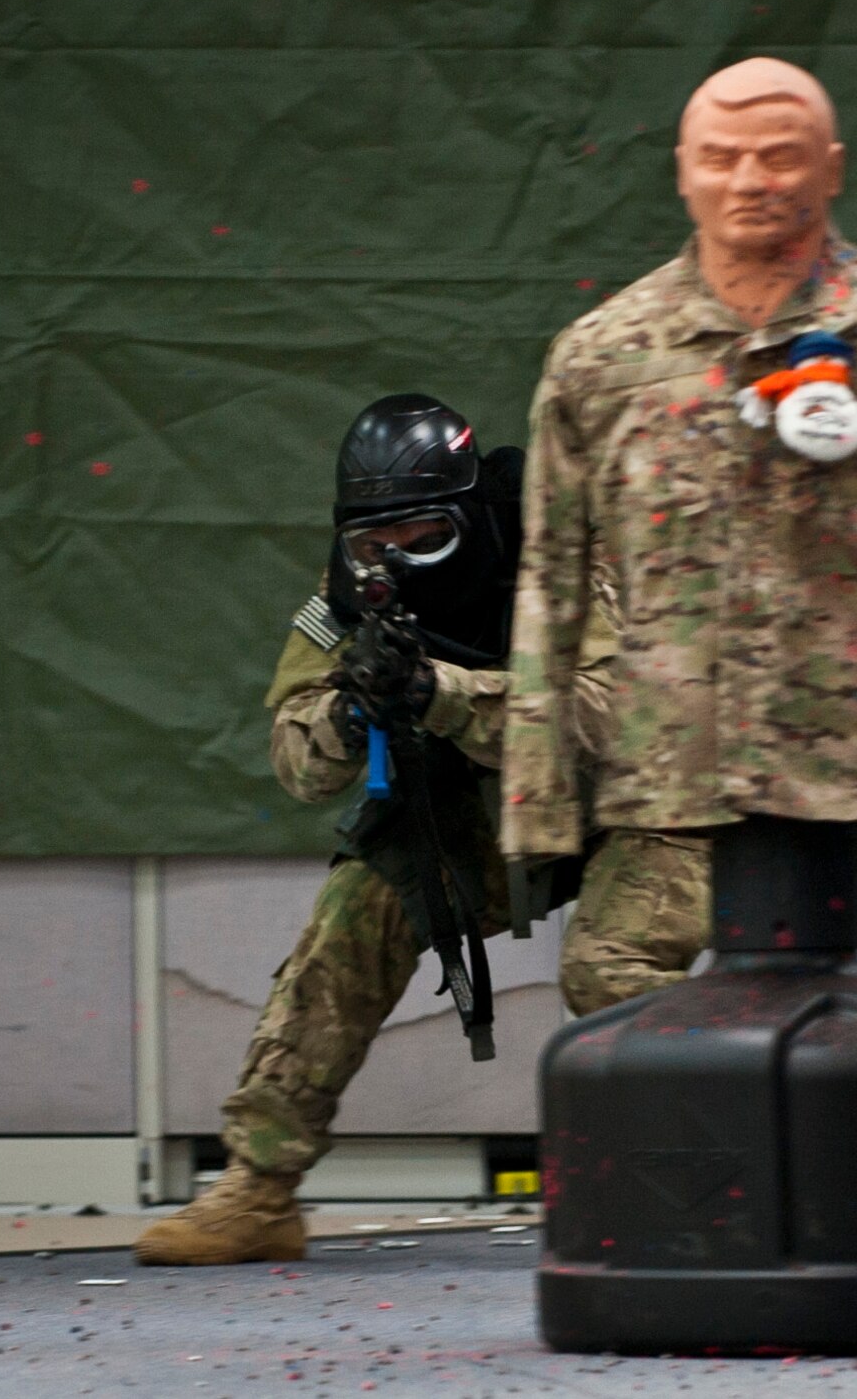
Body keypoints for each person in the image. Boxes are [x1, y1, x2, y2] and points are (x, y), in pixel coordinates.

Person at [131, 393, 700, 1266]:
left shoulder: (559, 549)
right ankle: (258, 1187)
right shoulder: (346, 595)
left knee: (612, 968)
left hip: (649, 800)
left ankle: (699, 1184)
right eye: (374, 542)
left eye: (424, 535)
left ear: (468, 515)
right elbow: (296, 759)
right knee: (350, 922)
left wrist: (443, 693)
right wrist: (351, 712)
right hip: (493, 809)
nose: (395, 560)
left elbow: (604, 719)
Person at [504, 58, 857, 897]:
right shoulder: (600, 360)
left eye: (780, 156)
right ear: (682, 173)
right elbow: (551, 578)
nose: (749, 181)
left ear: (832, 169)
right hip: (673, 750)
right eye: (721, 157)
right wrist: (536, 798)